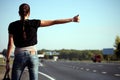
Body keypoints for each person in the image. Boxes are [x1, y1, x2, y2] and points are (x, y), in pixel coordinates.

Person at [6, 3, 80, 80]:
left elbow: (10, 45)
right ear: (29, 13)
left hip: (19, 55)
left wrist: (7, 62)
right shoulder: (35, 23)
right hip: (32, 55)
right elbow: (54, 22)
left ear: (19, 13)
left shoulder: (12, 25)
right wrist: (72, 19)